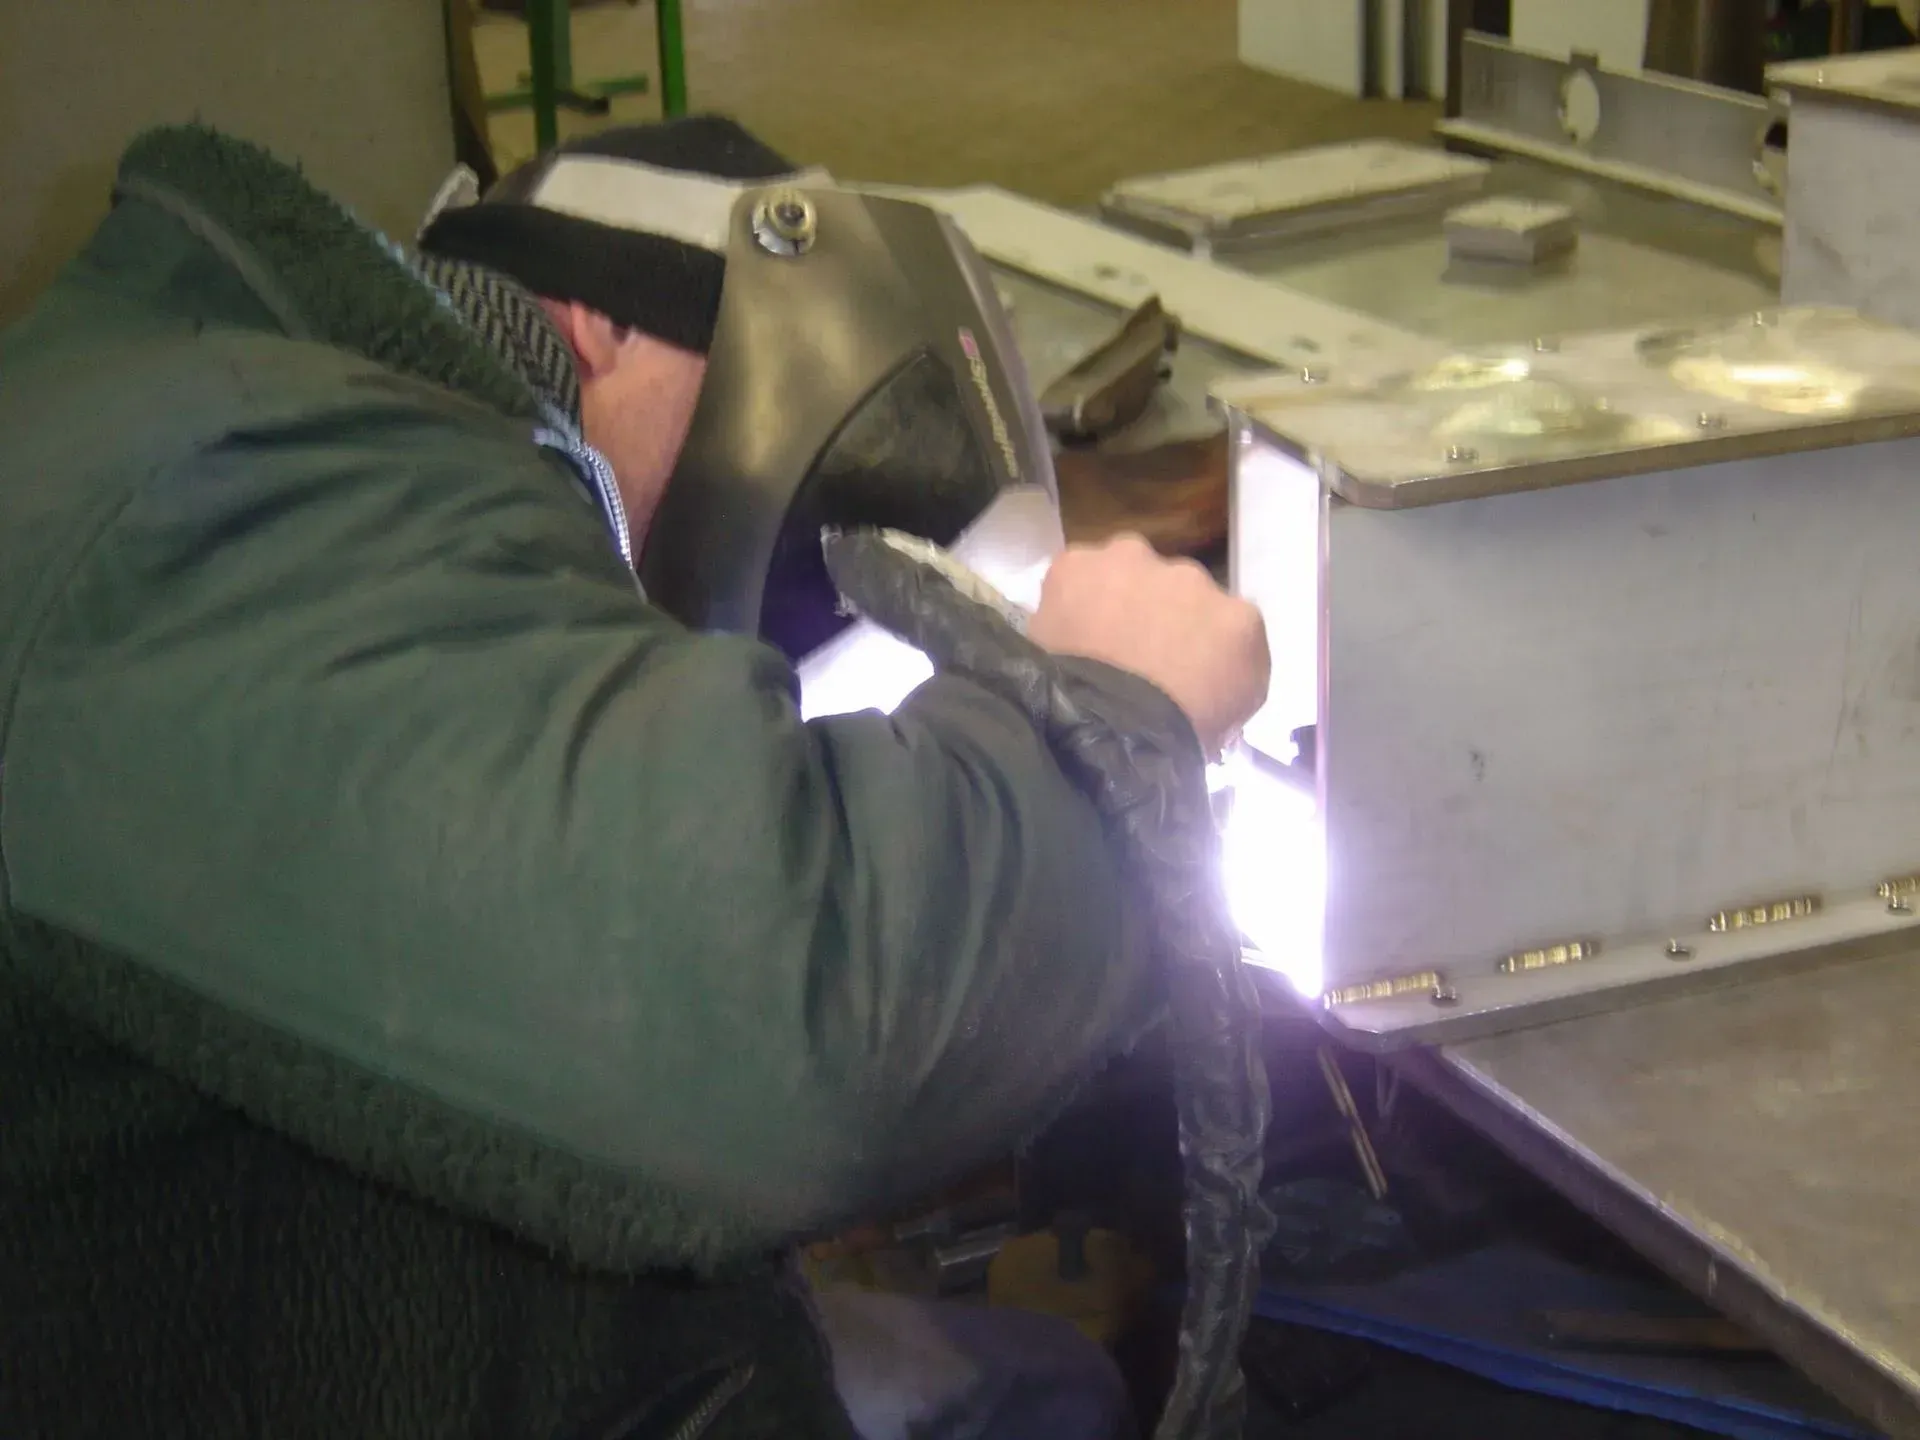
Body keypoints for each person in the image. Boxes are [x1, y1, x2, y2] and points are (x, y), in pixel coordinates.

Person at [0, 117, 1269, 1440]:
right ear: (598, 324)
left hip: (308, 1304)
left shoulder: (265, 427)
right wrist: (1116, 719)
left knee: (1042, 1385)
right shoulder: (232, 498)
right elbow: (791, 1023)